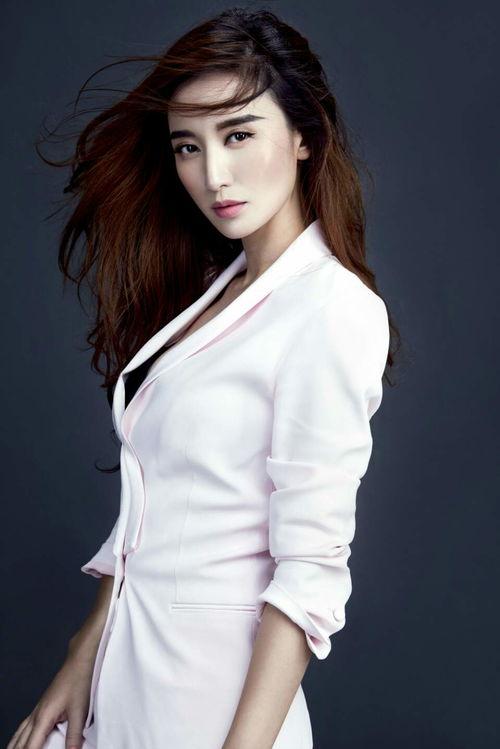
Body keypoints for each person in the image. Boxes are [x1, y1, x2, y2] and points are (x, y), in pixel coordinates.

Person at [8, 7, 399, 749]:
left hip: (211, 703)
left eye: (238, 134)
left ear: (305, 135)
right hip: (128, 674)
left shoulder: (332, 308)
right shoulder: (216, 294)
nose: (213, 174)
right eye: (189, 145)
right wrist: (82, 654)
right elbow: (152, 515)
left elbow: (309, 570)